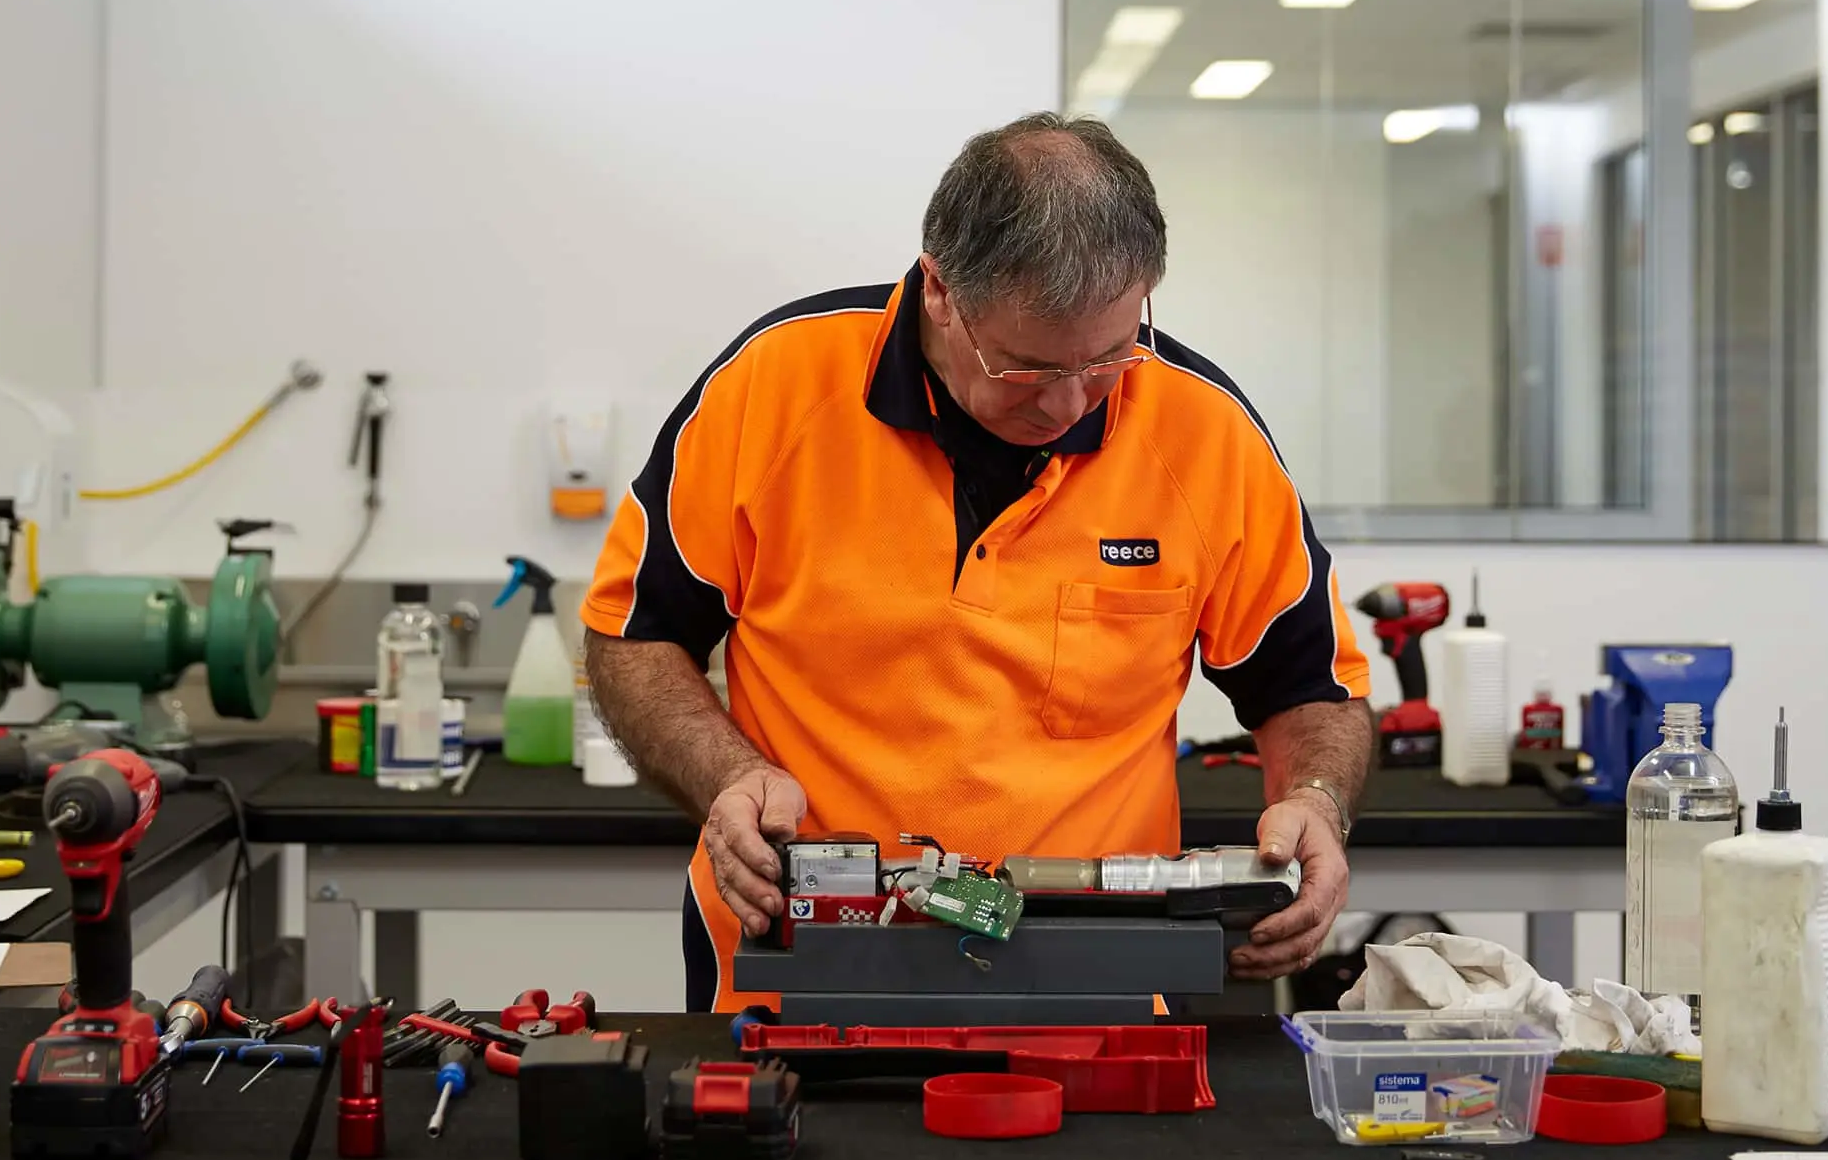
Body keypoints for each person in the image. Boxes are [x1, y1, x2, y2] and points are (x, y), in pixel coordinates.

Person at [582, 112, 1373, 1012]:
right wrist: (728, 776)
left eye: (1111, 355)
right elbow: (631, 634)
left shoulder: (1206, 436)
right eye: (1028, 367)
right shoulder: (775, 388)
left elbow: (1310, 687)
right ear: (941, 292)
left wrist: (1315, 800)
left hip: (1103, 995)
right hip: (802, 971)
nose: (1071, 401)